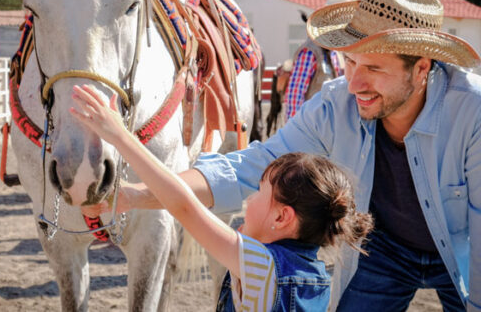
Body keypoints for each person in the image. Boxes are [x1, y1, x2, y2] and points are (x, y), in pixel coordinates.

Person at [83, 0, 481, 311]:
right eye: (350, 61)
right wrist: (140, 195)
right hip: (383, 247)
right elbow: (256, 163)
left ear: (422, 69)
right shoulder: (336, 102)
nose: (354, 81)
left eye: (373, 67)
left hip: (466, 249)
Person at [70, 86, 372, 311]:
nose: (249, 199)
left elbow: (185, 206)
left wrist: (120, 136)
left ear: (282, 218)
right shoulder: (316, 277)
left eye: (260, 192)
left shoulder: (261, 266)